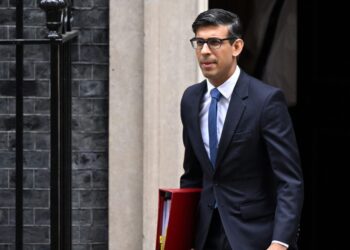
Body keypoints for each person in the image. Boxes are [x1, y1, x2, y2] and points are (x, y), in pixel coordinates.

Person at [180, 8, 304, 250]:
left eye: (215, 42)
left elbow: (289, 181)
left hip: (254, 236)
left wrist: (280, 243)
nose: (205, 51)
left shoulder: (266, 101)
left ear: (236, 47)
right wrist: (181, 233)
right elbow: (193, 175)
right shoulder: (190, 99)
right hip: (205, 235)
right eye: (199, 42)